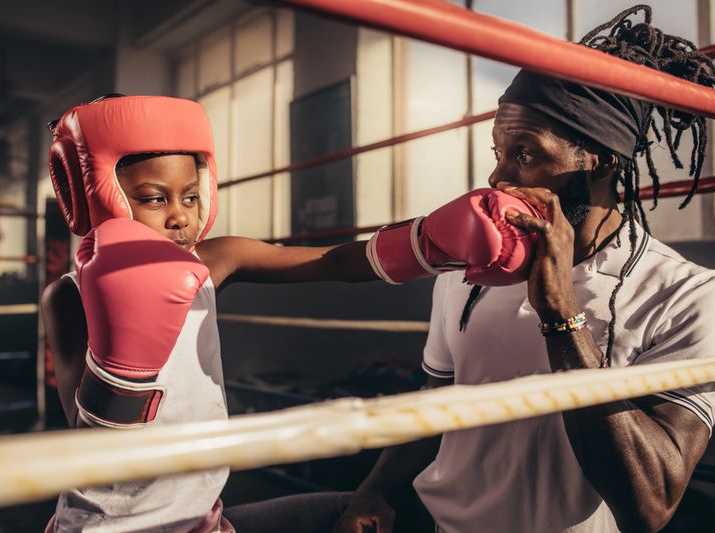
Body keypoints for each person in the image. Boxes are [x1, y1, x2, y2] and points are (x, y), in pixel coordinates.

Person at [40, 94, 539, 532]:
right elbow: (91, 438)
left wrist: (431, 242)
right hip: (108, 527)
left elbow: (336, 263)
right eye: (154, 199)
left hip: (203, 520)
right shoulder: (67, 296)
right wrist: (127, 354)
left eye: (191, 196)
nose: (180, 215)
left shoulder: (214, 259)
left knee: (354, 512)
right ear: (96, 196)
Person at [334, 5, 715, 533]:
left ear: (601, 160)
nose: (498, 178)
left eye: (525, 154)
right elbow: (440, 398)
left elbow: (650, 505)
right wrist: (373, 490)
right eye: (499, 150)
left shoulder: (684, 293)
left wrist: (562, 316)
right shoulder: (469, 267)